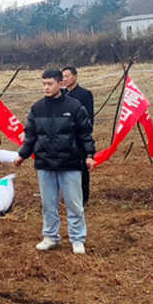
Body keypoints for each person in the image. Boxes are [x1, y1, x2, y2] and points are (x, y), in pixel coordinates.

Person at [14, 68, 96, 254]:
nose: (46, 87)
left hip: (70, 164)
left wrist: (89, 156)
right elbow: (30, 136)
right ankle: (51, 237)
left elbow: (85, 134)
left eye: (50, 84)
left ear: (60, 84)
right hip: (45, 164)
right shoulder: (37, 108)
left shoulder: (75, 107)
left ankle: (77, 239)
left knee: (74, 204)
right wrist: (22, 155)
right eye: (43, 84)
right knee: (48, 204)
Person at [61, 66, 96, 205]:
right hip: (64, 137)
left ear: (75, 77)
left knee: (82, 166)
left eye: (67, 76)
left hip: (79, 136)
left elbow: (89, 117)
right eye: (62, 77)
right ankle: (68, 195)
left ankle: (83, 197)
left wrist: (84, 134)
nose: (65, 79)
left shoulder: (84, 94)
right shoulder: (61, 94)